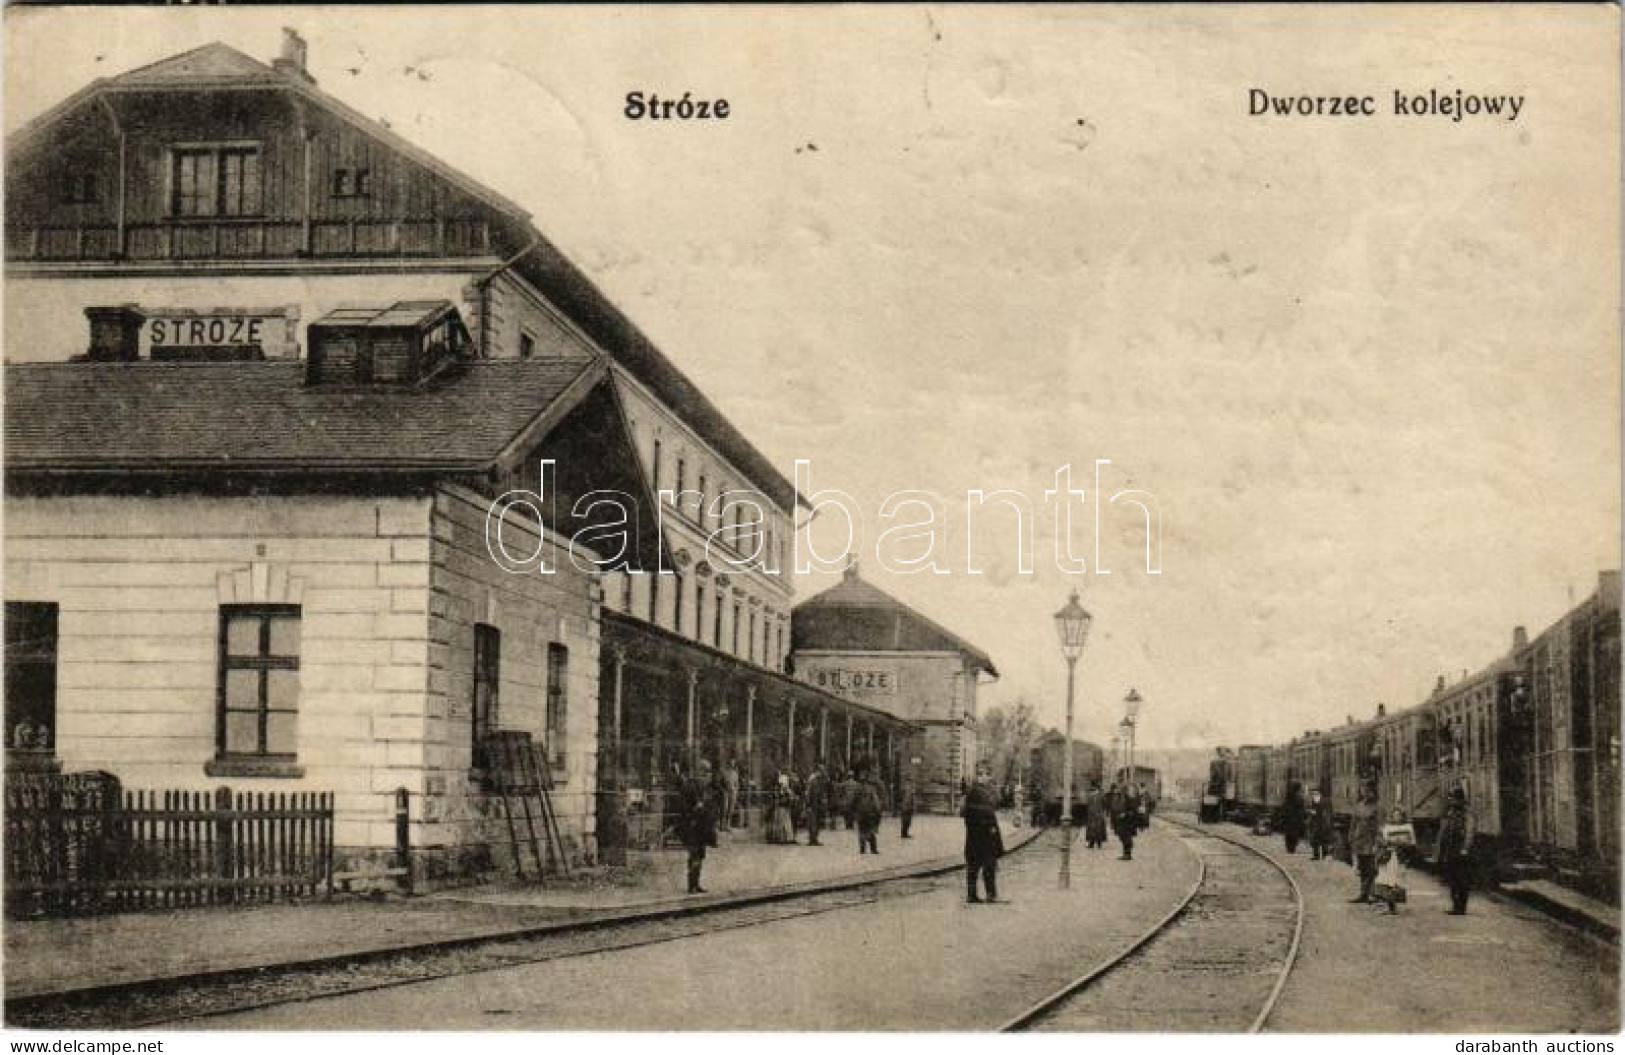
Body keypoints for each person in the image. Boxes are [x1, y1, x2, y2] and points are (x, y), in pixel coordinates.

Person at [961, 767, 1004, 903]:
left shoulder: (988, 791)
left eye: (986, 774)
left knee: (988, 866)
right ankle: (973, 895)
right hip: (978, 836)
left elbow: (995, 806)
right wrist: (988, 820)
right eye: (981, 775)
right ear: (977, 777)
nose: (984, 777)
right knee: (975, 867)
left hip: (986, 837)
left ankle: (990, 894)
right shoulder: (973, 792)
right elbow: (969, 813)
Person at [678, 759, 720, 894]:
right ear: (699, 772)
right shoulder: (689, 786)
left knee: (700, 856)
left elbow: (712, 805)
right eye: (705, 772)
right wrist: (693, 809)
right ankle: (691, 885)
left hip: (703, 827)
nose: (708, 775)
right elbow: (682, 806)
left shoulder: (708, 788)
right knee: (694, 855)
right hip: (692, 826)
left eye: (708, 772)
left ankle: (696, 883)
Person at [1437, 786, 1478, 915]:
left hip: (1460, 850)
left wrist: (1465, 848)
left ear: (1459, 799)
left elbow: (1470, 832)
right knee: (1452, 878)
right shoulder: (1451, 812)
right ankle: (1456, 905)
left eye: (1452, 798)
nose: (1450, 801)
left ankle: (1461, 907)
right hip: (1451, 850)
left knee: (1462, 879)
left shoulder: (1467, 813)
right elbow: (1444, 831)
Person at [1348, 783, 1380, 904]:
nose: (1365, 792)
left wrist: (1377, 841)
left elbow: (1378, 825)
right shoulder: (1359, 806)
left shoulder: (1376, 807)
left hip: (1370, 840)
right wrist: (1351, 836)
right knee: (1362, 868)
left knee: (1372, 868)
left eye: (1367, 790)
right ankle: (1363, 894)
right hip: (1359, 840)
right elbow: (1353, 823)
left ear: (1372, 791)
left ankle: (1372, 893)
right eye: (1363, 790)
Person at [854, 767, 884, 854]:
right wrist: (878, 811)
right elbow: (876, 801)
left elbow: (853, 800)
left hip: (860, 812)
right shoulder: (871, 788)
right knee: (871, 830)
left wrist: (854, 811)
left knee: (861, 830)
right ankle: (873, 849)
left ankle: (862, 849)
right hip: (870, 812)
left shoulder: (857, 788)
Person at [1111, 781, 1141, 860]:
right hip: (1120, 821)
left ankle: (1127, 854)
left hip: (1127, 821)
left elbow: (1133, 810)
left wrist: (1125, 814)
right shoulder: (1119, 797)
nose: (1118, 790)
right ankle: (1125, 853)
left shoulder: (1130, 798)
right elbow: (1115, 807)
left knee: (1126, 837)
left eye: (1120, 789)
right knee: (1122, 836)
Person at [766, 771, 796, 844]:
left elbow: (789, 797)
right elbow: (777, 799)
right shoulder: (779, 790)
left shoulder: (785, 790)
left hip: (783, 808)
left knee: (785, 823)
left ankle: (786, 838)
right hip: (780, 808)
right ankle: (780, 838)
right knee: (781, 823)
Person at [804, 765, 828, 846]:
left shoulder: (820, 780)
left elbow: (822, 792)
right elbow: (807, 793)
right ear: (817, 771)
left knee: (817, 822)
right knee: (812, 822)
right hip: (812, 804)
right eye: (821, 771)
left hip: (818, 804)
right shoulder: (812, 780)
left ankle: (815, 839)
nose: (822, 773)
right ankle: (812, 839)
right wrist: (808, 804)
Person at [1309, 789, 1335, 861]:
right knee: (1315, 840)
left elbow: (1327, 812)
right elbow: (1313, 810)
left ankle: (1324, 855)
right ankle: (1316, 855)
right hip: (1316, 823)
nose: (1314, 795)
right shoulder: (1314, 801)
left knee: (1323, 840)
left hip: (1322, 823)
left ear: (1319, 793)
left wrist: (1327, 822)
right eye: (1313, 794)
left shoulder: (1325, 801)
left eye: (1315, 793)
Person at [1281, 783, 1307, 855]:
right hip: (1297, 819)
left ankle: (1289, 847)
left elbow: (1284, 807)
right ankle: (1292, 848)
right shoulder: (1300, 798)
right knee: (1295, 834)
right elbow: (1302, 809)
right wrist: (1304, 816)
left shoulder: (1288, 797)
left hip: (1289, 818)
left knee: (1289, 833)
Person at [1085, 782, 1109, 849]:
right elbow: (1088, 804)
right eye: (1093, 789)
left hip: (1098, 814)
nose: (1094, 790)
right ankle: (1091, 843)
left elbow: (1105, 804)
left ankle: (1099, 843)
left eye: (1095, 789)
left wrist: (1103, 811)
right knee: (1091, 829)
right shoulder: (1090, 796)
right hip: (1091, 815)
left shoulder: (1101, 795)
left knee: (1099, 829)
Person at [720, 758, 740, 830]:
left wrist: (735, 791)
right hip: (726, 792)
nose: (732, 765)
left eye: (733, 764)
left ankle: (728, 825)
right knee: (724, 808)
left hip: (732, 793)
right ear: (728, 764)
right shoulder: (724, 773)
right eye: (731, 764)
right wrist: (722, 790)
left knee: (731, 809)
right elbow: (720, 783)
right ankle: (722, 825)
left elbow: (737, 784)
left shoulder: (735, 774)